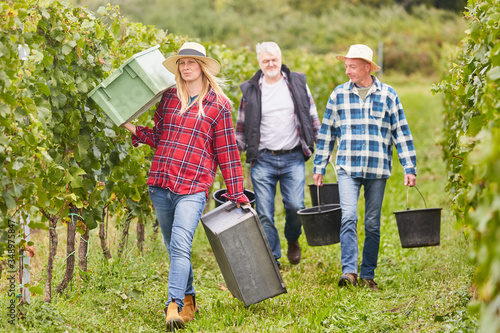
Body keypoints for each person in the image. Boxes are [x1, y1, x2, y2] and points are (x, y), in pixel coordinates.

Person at [122, 42, 249, 330]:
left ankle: (173, 306)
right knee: (174, 248)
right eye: (182, 62)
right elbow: (159, 136)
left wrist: (237, 193)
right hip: (161, 183)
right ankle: (189, 299)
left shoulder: (219, 106)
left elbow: (227, 154)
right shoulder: (168, 98)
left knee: (180, 245)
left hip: (193, 186)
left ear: (203, 67)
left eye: (192, 62)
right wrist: (134, 130)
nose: (186, 67)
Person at [312, 44, 417, 292]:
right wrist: (319, 165)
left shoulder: (388, 95)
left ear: (367, 67)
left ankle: (368, 273)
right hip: (347, 166)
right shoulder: (338, 95)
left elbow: (401, 132)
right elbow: (327, 132)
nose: (347, 71)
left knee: (372, 223)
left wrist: (409, 167)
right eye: (346, 66)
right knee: (348, 216)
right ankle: (349, 272)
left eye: (352, 66)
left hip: (377, 168)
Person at [236, 41, 320, 267]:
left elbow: (311, 116)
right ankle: (273, 258)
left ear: (280, 59)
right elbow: (241, 127)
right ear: (259, 63)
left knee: (295, 205)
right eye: (266, 61)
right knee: (264, 211)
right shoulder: (251, 89)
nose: (271, 64)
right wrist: (233, 157)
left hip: (293, 156)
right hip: (263, 159)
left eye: (274, 59)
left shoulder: (297, 82)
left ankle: (293, 239)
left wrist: (320, 146)